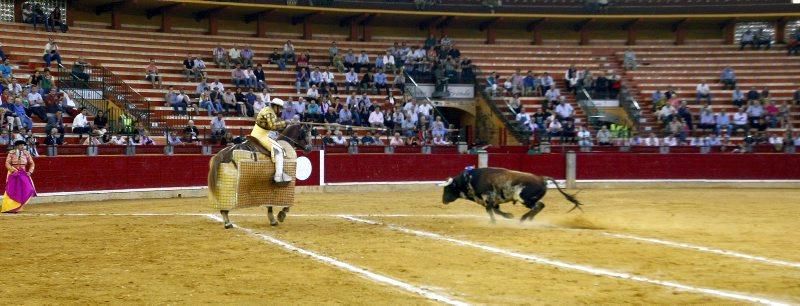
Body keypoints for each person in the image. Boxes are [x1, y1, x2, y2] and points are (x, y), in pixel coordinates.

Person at [250, 98, 293, 183]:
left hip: (261, 134)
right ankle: (278, 177)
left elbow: (274, 122)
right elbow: (272, 126)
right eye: (279, 108)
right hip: (260, 136)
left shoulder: (268, 110)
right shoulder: (269, 112)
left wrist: (285, 122)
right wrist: (285, 123)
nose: (280, 110)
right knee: (279, 151)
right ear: (275, 106)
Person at [1, 140, 36, 213]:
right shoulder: (11, 153)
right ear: (17, 146)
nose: (23, 146)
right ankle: (8, 207)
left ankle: (17, 207)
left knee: (27, 188)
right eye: (21, 145)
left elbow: (32, 163)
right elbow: (7, 163)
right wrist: (13, 170)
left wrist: (30, 171)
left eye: (23, 145)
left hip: (23, 173)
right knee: (11, 189)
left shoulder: (26, 153)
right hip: (12, 173)